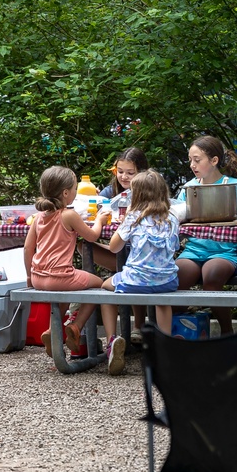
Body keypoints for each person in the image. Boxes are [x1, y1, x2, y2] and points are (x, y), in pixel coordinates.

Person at [23, 165, 111, 363]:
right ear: (65, 193)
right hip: (60, 277)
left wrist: (29, 276)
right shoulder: (69, 215)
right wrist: (99, 219)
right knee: (101, 285)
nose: (75, 193)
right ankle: (76, 326)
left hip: (38, 277)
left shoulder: (38, 218)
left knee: (64, 290)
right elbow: (92, 236)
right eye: (74, 190)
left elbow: (28, 249)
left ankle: (51, 330)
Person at [98, 169, 179, 375]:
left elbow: (115, 248)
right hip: (167, 280)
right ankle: (166, 346)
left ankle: (111, 341)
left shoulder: (133, 217)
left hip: (135, 280)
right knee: (163, 300)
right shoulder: (172, 217)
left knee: (104, 288)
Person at [175, 135, 237, 336]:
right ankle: (178, 332)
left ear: (214, 160)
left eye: (197, 159)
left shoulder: (235, 186)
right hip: (193, 250)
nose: (192, 165)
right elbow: (175, 216)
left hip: (225, 251)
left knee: (211, 277)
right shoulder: (188, 188)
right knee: (174, 278)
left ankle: (227, 333)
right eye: (190, 160)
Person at [83, 146, 150, 342]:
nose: (124, 177)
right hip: (118, 250)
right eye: (120, 172)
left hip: (141, 257)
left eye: (131, 173)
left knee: (132, 270)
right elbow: (95, 207)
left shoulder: (148, 194)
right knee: (82, 245)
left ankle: (138, 325)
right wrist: (93, 200)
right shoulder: (111, 191)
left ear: (142, 173)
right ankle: (106, 338)